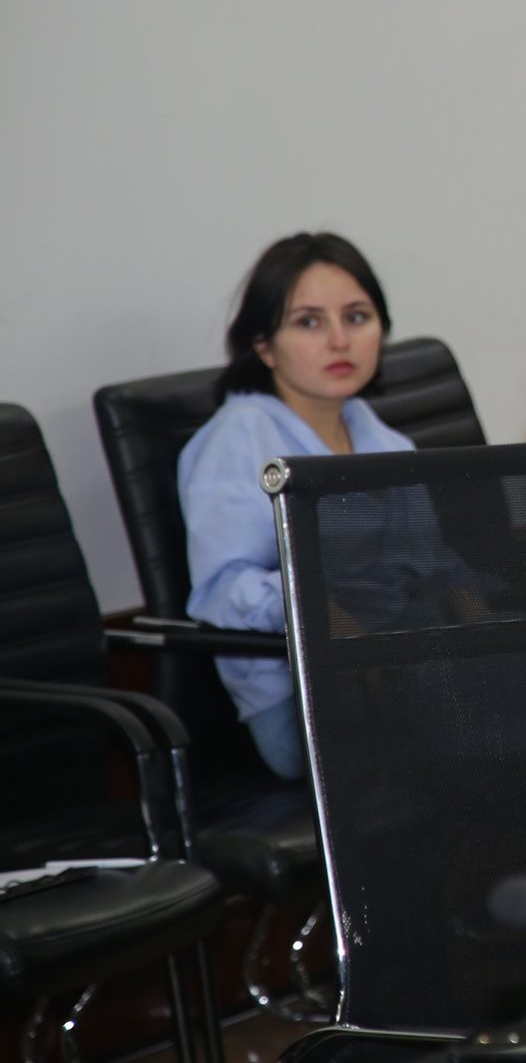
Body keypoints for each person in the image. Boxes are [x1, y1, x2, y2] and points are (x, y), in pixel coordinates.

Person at [178, 232, 416, 779]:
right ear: (264, 346)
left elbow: (429, 564)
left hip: (398, 665)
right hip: (302, 700)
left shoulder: (380, 436)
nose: (340, 340)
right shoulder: (240, 437)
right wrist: (320, 612)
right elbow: (223, 587)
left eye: (357, 317)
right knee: (496, 726)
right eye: (309, 322)